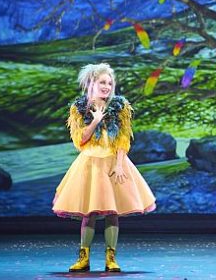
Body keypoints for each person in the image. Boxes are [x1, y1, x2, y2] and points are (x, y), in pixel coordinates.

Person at [53, 63, 156, 272]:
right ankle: (84, 257)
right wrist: (95, 121)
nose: (107, 86)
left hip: (113, 162)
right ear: (91, 83)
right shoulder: (79, 107)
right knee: (89, 212)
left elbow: (123, 140)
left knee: (112, 211)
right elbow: (79, 141)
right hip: (90, 164)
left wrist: (119, 165)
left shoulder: (119, 107)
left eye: (110, 83)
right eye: (102, 82)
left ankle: (111, 257)